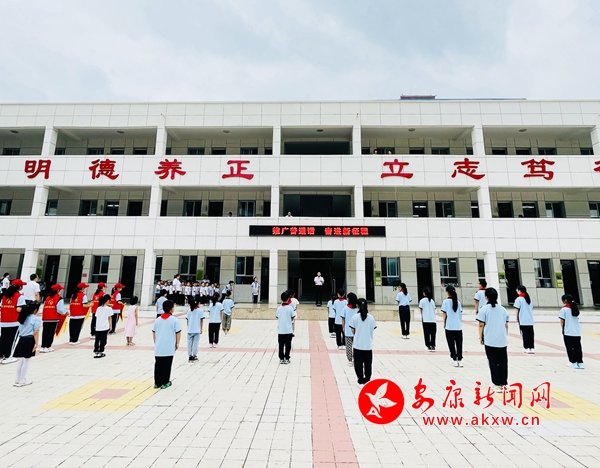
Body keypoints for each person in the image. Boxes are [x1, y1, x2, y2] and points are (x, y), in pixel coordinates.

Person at [477, 287, 510, 392]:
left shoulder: (484, 309)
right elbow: (506, 325)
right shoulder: (503, 310)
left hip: (490, 340)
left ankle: (496, 384)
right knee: (503, 362)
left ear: (486, 297)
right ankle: (504, 383)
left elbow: (481, 324)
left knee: (493, 362)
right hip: (502, 340)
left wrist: (480, 337)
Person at [152, 300, 181, 389]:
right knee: (166, 365)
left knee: (158, 364)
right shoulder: (175, 320)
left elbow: (154, 332)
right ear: (171, 309)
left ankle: (157, 382)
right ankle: (165, 382)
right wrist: (177, 343)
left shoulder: (157, 320)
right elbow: (178, 332)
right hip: (169, 346)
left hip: (159, 346)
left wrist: (156, 342)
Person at [13, 302, 41, 387]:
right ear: (35, 310)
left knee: (21, 360)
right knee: (26, 361)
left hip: (22, 339)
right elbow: (36, 332)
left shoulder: (23, 317)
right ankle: (22, 380)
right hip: (29, 339)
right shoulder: (35, 319)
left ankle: (18, 379)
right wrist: (36, 343)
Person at [350, 299, 377, 387]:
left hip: (358, 344)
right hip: (368, 345)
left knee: (358, 364)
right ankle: (367, 379)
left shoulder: (355, 317)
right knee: (368, 364)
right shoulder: (371, 318)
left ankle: (360, 380)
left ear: (357, 306)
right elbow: (373, 328)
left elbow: (352, 330)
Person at [0, 279, 26, 364]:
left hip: (4, 321)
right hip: (14, 321)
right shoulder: (19, 296)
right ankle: (8, 356)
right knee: (11, 339)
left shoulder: (4, 296)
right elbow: (18, 309)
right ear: (20, 287)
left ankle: (1, 355)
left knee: (3, 339)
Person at [39, 284, 67, 353]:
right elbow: (60, 309)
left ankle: (43, 346)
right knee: (50, 333)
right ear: (58, 290)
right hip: (53, 318)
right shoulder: (59, 298)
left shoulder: (47, 298)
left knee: (45, 332)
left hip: (46, 318)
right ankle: (48, 346)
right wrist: (66, 312)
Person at [559, 294, 584, 369]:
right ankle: (580, 362)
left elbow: (562, 321)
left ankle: (573, 362)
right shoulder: (575, 308)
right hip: (576, 332)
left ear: (565, 300)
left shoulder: (564, 310)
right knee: (577, 347)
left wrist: (563, 329)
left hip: (568, 331)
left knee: (570, 347)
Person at [441, 285, 463, 367]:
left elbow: (444, 314)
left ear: (447, 292)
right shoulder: (458, 302)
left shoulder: (445, 302)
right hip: (458, 326)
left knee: (451, 343)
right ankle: (459, 359)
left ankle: (454, 359)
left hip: (449, 326)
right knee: (459, 343)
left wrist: (444, 323)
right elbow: (460, 313)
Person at [276, 291, 296, 364]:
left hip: (281, 330)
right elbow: (293, 317)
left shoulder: (279, 308)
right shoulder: (290, 308)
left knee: (281, 345)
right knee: (288, 345)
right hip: (288, 330)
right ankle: (287, 357)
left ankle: (281, 358)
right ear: (288, 299)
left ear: (281, 299)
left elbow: (277, 316)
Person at [514, 285, 535, 354]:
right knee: (530, 334)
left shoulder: (519, 299)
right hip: (530, 320)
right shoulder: (529, 299)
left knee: (524, 334)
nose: (516, 291)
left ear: (520, 291)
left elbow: (517, 309)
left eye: (517, 290)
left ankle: (526, 347)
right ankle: (531, 348)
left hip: (523, 319)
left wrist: (516, 317)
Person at [341, 292, 359, 367]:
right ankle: (356, 359)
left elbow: (343, 319)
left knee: (348, 346)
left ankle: (350, 360)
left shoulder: (345, 308)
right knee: (356, 346)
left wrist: (343, 328)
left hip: (348, 330)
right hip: (357, 330)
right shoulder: (357, 309)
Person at [186, 297, 204, 363]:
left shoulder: (189, 311)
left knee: (189, 343)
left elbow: (187, 320)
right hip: (197, 329)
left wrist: (188, 327)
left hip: (190, 329)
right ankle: (194, 355)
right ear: (198, 303)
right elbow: (201, 320)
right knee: (195, 343)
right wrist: (201, 328)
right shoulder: (200, 311)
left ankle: (190, 355)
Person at [419, 286, 436, 351]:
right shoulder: (432, 301)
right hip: (433, 320)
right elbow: (434, 309)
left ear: (424, 293)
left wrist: (423, 315)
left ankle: (428, 345)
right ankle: (433, 345)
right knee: (433, 333)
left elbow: (421, 310)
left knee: (426, 333)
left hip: (426, 319)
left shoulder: (422, 301)